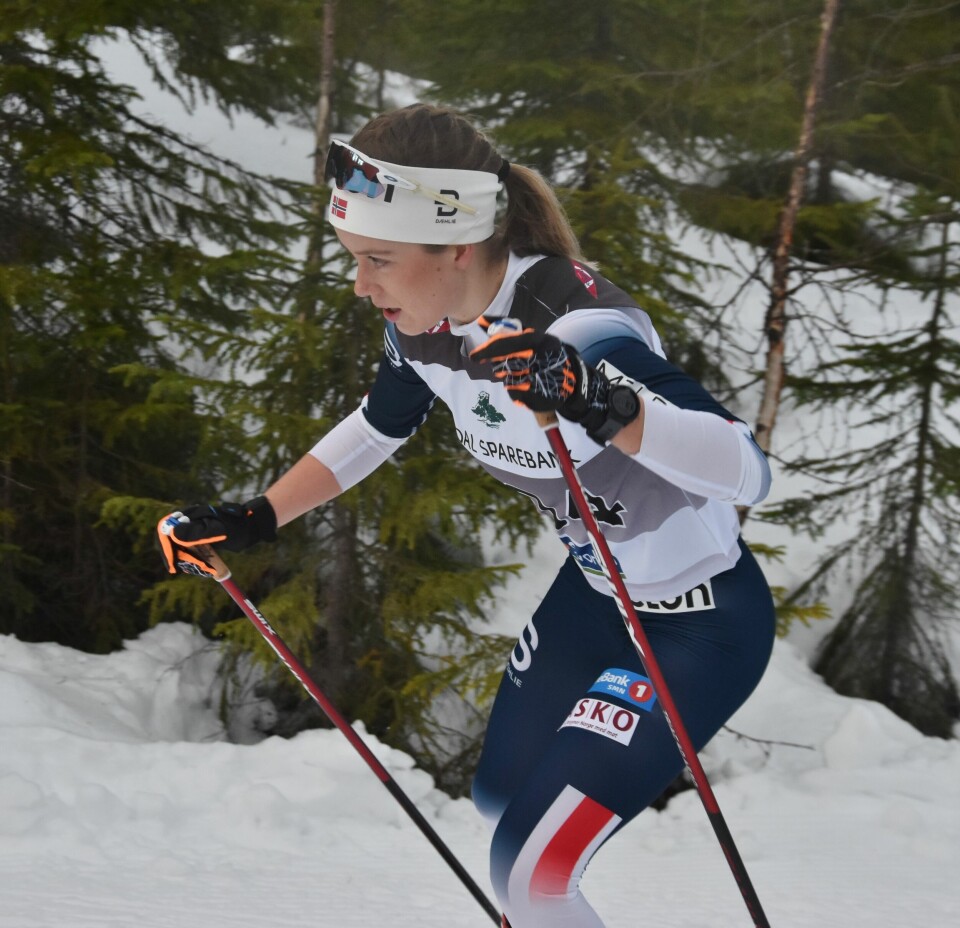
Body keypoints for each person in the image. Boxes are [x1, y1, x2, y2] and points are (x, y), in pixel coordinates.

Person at [158, 103, 776, 928]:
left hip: (702, 621)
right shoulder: (429, 322)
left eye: (378, 260)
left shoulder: (581, 325)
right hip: (598, 597)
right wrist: (258, 516)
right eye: (355, 258)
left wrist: (601, 401)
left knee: (528, 875)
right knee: (501, 797)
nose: (360, 284)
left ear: (456, 247)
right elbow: (378, 425)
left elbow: (747, 469)